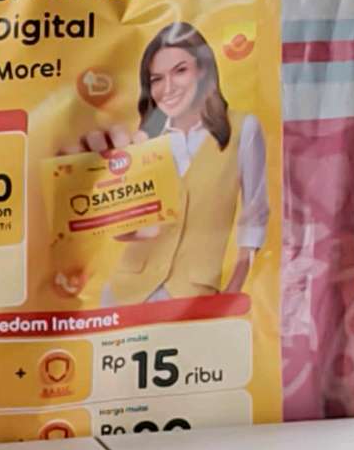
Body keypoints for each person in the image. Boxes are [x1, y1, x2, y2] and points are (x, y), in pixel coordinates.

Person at [74, 21, 269, 303]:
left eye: (180, 71)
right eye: (156, 79)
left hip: (195, 294)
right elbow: (124, 230)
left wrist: (234, 288)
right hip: (126, 292)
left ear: (203, 71)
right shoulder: (144, 140)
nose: (168, 87)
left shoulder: (243, 129)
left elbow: (254, 215)